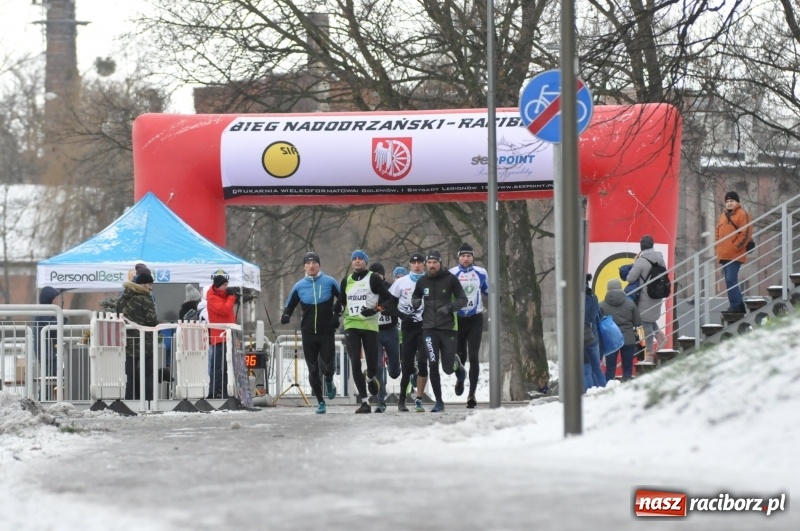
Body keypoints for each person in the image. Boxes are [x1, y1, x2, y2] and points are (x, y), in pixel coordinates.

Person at [281, 252, 342, 414]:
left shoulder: (330, 282)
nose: (311, 265)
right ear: (304, 267)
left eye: (314, 262)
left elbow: (343, 299)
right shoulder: (299, 285)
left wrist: (337, 316)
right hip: (308, 333)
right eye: (308, 263)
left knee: (328, 367)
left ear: (319, 265)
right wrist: (286, 314)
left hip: (326, 331)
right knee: (313, 369)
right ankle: (321, 402)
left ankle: (329, 380)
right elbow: (290, 303)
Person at [410, 250, 468, 413]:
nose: (432, 265)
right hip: (428, 329)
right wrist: (415, 301)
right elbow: (416, 296)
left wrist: (449, 308)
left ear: (440, 263)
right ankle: (439, 401)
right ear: (426, 265)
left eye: (435, 262)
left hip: (447, 328)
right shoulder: (422, 281)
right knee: (433, 364)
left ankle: (458, 366)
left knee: (447, 368)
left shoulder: (450, 279)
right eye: (429, 263)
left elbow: (463, 299)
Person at [338, 249, 393, 413]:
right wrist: (336, 312)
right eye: (354, 258)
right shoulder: (346, 280)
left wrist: (376, 310)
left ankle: (370, 377)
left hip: (369, 326)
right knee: (354, 360)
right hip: (351, 324)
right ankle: (364, 401)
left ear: (365, 262)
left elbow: (389, 300)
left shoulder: (373, 279)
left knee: (372, 365)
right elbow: (342, 301)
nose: (357, 261)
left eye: (360, 259)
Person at [449, 242, 489, 408]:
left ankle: (471, 394)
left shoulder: (480, 272)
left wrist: (496, 297)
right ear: (458, 257)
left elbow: (488, 289)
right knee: (460, 357)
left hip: (475, 318)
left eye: (469, 256)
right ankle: (460, 379)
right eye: (463, 256)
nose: (466, 259)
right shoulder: (452, 273)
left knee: (473, 356)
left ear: (473, 257)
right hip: (458, 320)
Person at [388, 251, 426, 412]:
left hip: (425, 326)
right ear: (410, 265)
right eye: (414, 262)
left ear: (424, 264)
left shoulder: (430, 281)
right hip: (408, 327)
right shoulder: (401, 282)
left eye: (420, 262)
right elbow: (389, 304)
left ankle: (419, 398)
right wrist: (403, 316)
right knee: (407, 366)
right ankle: (402, 400)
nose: (417, 265)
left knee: (424, 363)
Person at [623, 235, 667, 364]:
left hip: (645, 295)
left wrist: (634, 267)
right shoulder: (660, 258)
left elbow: (630, 278)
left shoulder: (641, 261)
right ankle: (660, 336)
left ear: (641, 246)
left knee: (645, 322)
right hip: (657, 293)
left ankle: (649, 353)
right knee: (649, 318)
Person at [116, 272, 159, 400]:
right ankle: (148, 401)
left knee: (130, 374)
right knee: (147, 374)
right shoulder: (145, 299)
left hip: (127, 341)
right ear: (143, 285)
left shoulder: (121, 300)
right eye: (149, 284)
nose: (151, 287)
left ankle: (130, 400)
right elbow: (151, 320)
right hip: (145, 342)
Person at [367, 262, 400, 413]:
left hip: (391, 331)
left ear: (383, 275)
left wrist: (385, 309)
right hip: (375, 332)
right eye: (373, 275)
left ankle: (394, 369)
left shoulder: (390, 288)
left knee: (394, 371)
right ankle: (381, 400)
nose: (376, 278)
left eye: (378, 275)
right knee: (378, 367)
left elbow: (396, 304)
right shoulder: (366, 288)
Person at [715, 191, 753, 315]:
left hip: (735, 253)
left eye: (732, 201)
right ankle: (738, 306)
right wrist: (718, 245)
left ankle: (736, 305)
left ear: (737, 202)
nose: (729, 203)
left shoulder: (743, 214)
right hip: (724, 253)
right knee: (729, 280)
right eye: (727, 201)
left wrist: (734, 247)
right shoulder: (723, 215)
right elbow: (717, 231)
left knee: (730, 279)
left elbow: (745, 233)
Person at [600, 278, 642, 382]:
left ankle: (607, 387)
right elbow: (637, 322)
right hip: (628, 338)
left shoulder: (601, 305)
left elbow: (599, 323)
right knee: (627, 366)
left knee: (610, 367)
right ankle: (627, 384)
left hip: (611, 340)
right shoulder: (630, 304)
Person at [206, 274, 240, 399]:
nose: (227, 287)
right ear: (218, 286)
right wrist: (231, 298)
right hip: (220, 336)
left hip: (227, 335)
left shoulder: (223, 296)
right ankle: (214, 391)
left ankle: (225, 390)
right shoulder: (213, 298)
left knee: (226, 365)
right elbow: (224, 310)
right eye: (225, 285)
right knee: (218, 366)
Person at [33, 287, 63, 381]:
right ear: (49, 299)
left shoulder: (44, 311)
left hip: (47, 351)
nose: (56, 301)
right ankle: (44, 396)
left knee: (49, 378)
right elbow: (54, 326)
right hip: (48, 351)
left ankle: (45, 395)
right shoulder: (45, 312)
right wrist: (63, 318)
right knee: (50, 379)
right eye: (54, 299)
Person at [583, 274, 606, 391]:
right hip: (593, 337)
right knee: (596, 367)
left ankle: (588, 390)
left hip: (581, 336)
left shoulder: (576, 301)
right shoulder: (593, 298)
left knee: (586, 367)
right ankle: (602, 388)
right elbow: (597, 317)